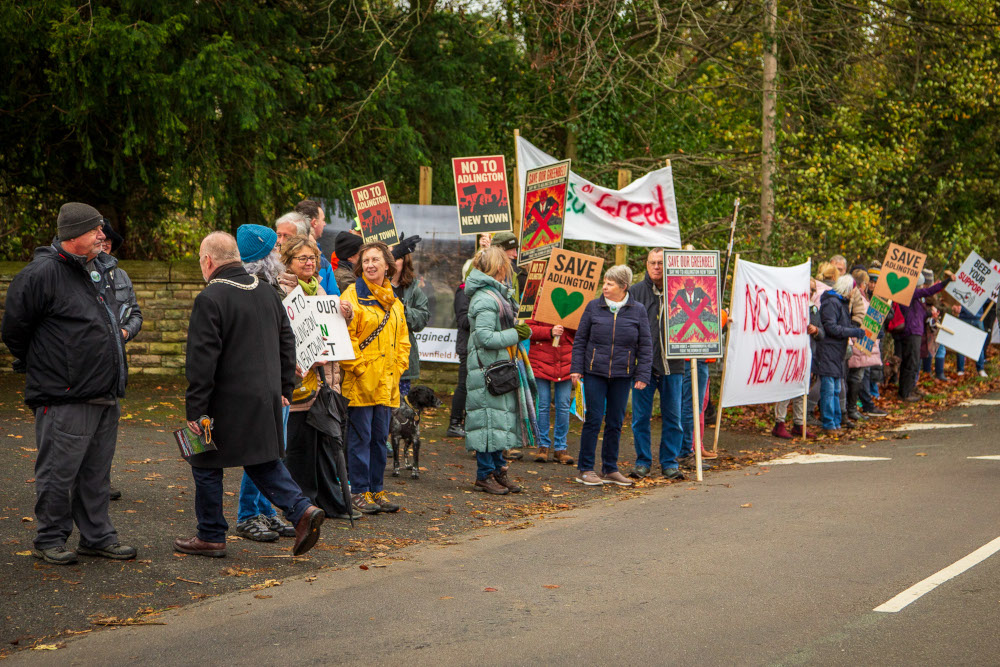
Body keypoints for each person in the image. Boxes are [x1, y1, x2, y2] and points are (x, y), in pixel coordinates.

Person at [2, 203, 136, 565]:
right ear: (74, 234)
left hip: (104, 392)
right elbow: (15, 330)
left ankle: (96, 536)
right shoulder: (41, 274)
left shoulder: (99, 270)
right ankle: (49, 538)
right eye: (95, 230)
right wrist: (49, 365)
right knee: (59, 472)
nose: (102, 236)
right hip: (64, 395)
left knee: (96, 474)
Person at [176, 232, 324, 558]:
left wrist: (195, 409)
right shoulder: (266, 291)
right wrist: (285, 387)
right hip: (265, 399)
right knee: (262, 462)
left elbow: (201, 362)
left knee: (204, 462)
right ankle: (301, 511)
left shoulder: (211, 297)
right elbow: (288, 341)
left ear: (208, 261)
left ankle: (211, 535)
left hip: (222, 403)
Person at [278, 234, 357, 521]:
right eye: (303, 258)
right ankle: (302, 506)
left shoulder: (322, 292)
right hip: (301, 386)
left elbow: (332, 332)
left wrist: (343, 314)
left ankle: (325, 501)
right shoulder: (284, 291)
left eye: (313, 258)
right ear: (288, 262)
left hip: (325, 384)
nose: (310, 262)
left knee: (321, 447)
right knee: (298, 449)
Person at [231, 224, 297, 541]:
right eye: (273, 249)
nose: (278, 254)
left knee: (273, 449)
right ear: (262, 256)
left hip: (274, 382)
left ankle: (266, 511)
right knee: (261, 450)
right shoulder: (256, 289)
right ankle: (248, 514)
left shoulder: (271, 286)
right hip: (259, 384)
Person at [339, 242, 410, 515]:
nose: (370, 265)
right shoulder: (351, 296)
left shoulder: (393, 299)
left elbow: (402, 339)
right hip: (360, 384)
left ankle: (376, 489)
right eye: (366, 260)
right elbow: (347, 337)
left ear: (387, 265)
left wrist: (399, 366)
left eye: (375, 260)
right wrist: (359, 369)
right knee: (360, 438)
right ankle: (358, 491)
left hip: (387, 383)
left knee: (380, 439)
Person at [570, 265, 652, 487]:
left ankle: (610, 469)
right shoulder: (593, 307)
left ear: (623, 287)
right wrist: (576, 368)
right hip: (594, 372)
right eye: (604, 282)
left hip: (622, 375)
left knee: (615, 422)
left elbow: (645, 345)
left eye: (610, 283)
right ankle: (586, 468)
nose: (604, 287)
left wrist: (642, 373)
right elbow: (580, 340)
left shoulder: (638, 310)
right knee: (593, 420)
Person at [464, 246, 531, 495]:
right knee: (488, 424)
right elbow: (484, 337)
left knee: (498, 422)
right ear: (499, 267)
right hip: (487, 369)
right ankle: (484, 475)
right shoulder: (484, 298)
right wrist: (516, 334)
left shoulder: (496, 295)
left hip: (497, 367)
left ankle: (498, 471)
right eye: (506, 264)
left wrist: (519, 327)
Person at [628, 248, 686, 479]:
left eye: (661, 263)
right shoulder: (635, 293)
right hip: (644, 367)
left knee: (673, 417)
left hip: (674, 365)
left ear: (669, 265)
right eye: (652, 262)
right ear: (646, 264)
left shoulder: (681, 290)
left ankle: (669, 462)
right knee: (641, 418)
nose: (656, 267)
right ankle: (643, 461)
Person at [99, 221, 142, 502]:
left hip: (115, 365)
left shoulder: (122, 276)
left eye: (107, 244)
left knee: (107, 426)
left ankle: (100, 481)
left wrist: (126, 331)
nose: (104, 247)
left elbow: (136, 314)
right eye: (100, 241)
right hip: (83, 365)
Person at [527, 288, 576, 465]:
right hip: (541, 361)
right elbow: (528, 328)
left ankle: (560, 447)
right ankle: (543, 446)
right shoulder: (536, 302)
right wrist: (549, 332)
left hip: (565, 362)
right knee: (543, 405)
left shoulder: (572, 303)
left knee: (563, 405)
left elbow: (581, 331)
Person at [816, 275, 865, 433]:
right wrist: (854, 331)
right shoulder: (832, 302)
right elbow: (831, 327)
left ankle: (836, 422)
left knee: (836, 388)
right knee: (829, 389)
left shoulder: (840, 303)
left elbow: (840, 326)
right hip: (829, 350)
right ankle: (829, 423)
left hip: (837, 352)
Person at [773, 297, 824, 439]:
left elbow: (822, 333)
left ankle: (799, 424)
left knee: (801, 390)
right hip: (788, 353)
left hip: (805, 355)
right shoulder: (786, 303)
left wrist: (816, 330)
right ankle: (779, 423)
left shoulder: (813, 308)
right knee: (785, 389)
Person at [898, 271, 951, 401]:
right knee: (911, 362)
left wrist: (929, 314)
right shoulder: (909, 294)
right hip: (911, 332)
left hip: (915, 331)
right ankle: (905, 393)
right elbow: (928, 292)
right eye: (921, 286)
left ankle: (909, 389)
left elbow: (920, 314)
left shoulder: (915, 300)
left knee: (913, 362)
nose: (922, 288)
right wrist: (945, 282)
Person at [391, 234, 428, 398]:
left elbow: (422, 318)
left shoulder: (413, 288)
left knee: (401, 412)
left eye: (396, 257)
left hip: (404, 361)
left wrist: (404, 311)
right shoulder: (375, 285)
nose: (392, 262)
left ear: (404, 261)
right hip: (380, 361)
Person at [294, 199, 337, 295]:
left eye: (312, 258)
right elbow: (335, 298)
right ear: (314, 222)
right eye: (323, 220)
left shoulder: (281, 256)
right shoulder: (323, 263)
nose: (309, 263)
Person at [447, 277, 471, 438]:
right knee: (463, 385)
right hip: (467, 346)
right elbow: (463, 320)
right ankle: (454, 423)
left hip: (473, 345)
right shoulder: (464, 290)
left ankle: (466, 423)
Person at [488, 231, 528, 301]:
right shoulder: (483, 272)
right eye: (512, 249)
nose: (515, 254)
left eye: (516, 250)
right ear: (499, 251)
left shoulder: (518, 275)